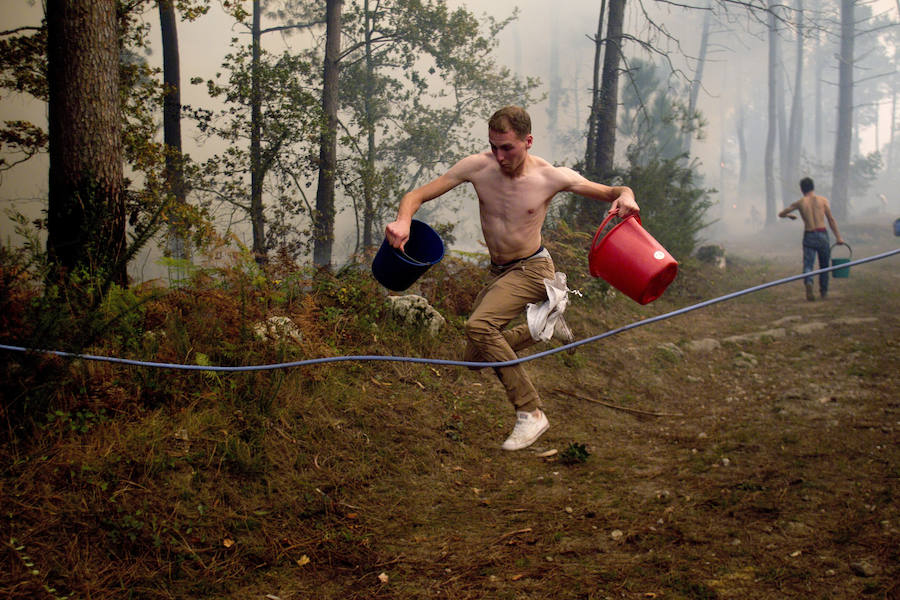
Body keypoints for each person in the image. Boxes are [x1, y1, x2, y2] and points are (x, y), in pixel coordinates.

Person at [384, 106, 639, 451]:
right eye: (494, 147)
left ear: (528, 141)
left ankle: (529, 410)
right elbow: (415, 196)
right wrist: (403, 221)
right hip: (499, 270)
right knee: (474, 359)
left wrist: (627, 195)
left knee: (479, 327)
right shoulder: (477, 167)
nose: (500, 156)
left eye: (508, 148)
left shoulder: (551, 177)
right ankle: (544, 324)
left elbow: (613, 191)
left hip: (534, 268)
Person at [778, 177, 845, 301]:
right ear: (813, 187)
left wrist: (789, 216)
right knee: (824, 265)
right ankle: (823, 292)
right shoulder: (823, 200)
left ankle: (809, 282)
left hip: (809, 234)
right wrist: (838, 237)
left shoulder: (800, 202)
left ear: (802, 189)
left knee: (808, 264)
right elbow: (831, 219)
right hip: (822, 233)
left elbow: (781, 214)